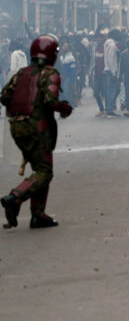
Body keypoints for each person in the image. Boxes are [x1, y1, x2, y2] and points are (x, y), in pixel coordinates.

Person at [1, 35, 73, 229]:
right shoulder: (50, 73)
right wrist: (64, 108)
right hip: (37, 126)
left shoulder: (21, 73)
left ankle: (38, 214)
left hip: (17, 126)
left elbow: (4, 96)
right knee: (45, 172)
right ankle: (14, 197)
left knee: (40, 168)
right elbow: (51, 100)